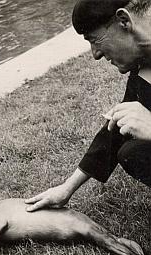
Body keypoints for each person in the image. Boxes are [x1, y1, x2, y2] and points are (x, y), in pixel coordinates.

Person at [25, 0, 151, 212]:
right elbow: (114, 131)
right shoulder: (144, 63)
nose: (95, 54)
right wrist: (66, 188)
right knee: (133, 151)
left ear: (123, 21)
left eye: (95, 40)